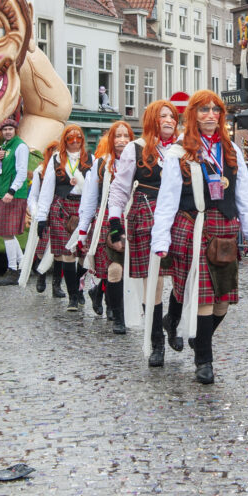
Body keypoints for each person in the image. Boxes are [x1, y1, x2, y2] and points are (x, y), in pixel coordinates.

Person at [151, 90, 248, 384]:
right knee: (202, 298)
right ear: (192, 115)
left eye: (215, 110)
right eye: (203, 110)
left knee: (223, 303)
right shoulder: (179, 152)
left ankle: (195, 336)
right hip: (194, 226)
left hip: (225, 230)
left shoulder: (231, 151)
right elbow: (166, 201)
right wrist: (160, 241)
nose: (210, 115)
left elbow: (246, 196)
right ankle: (204, 361)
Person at [107, 100, 182, 368]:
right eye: (163, 116)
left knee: (186, 276)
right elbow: (119, 189)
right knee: (155, 281)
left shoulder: (182, 148)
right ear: (152, 119)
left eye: (172, 116)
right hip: (145, 213)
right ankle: (156, 342)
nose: (169, 120)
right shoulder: (134, 148)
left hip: (179, 215)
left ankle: (172, 320)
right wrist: (114, 224)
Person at [75, 120, 135, 334]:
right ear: (111, 140)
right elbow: (90, 200)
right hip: (106, 221)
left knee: (125, 271)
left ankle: (108, 300)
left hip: (133, 219)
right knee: (114, 269)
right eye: (117, 136)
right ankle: (118, 317)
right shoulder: (101, 164)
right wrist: (82, 232)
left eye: (125, 136)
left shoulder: (140, 162)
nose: (121, 140)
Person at [36, 124, 92, 310]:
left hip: (84, 209)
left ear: (82, 140)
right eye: (70, 138)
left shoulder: (91, 159)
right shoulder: (55, 160)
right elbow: (46, 190)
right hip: (61, 208)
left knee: (83, 255)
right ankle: (73, 298)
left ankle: (77, 286)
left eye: (78, 138)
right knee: (68, 255)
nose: (75, 141)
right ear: (64, 141)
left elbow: (94, 189)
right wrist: (42, 217)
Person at [0, 118, 31, 286]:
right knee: (7, 232)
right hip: (5, 192)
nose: (7, 132)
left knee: (7, 231)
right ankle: (22, 266)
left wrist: (12, 191)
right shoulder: (4, 147)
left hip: (13, 194)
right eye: (5, 129)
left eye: (10, 129)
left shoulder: (20, 146)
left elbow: (22, 171)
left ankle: (13, 270)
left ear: (15, 130)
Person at [26, 140, 61, 296]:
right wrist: (36, 212)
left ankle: (57, 284)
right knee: (42, 246)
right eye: (53, 151)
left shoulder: (66, 170)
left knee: (60, 249)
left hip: (61, 211)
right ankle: (41, 276)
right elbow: (33, 196)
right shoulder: (41, 170)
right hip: (44, 213)